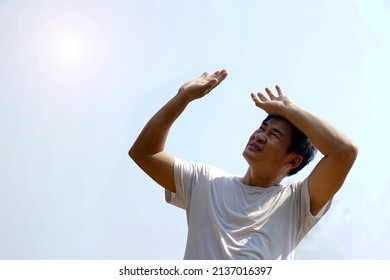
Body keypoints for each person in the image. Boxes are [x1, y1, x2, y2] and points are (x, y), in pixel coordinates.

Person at [128, 69, 358, 259]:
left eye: (274, 134)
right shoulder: (206, 181)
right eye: (261, 128)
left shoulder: (297, 202)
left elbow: (344, 152)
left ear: (293, 160)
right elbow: (145, 153)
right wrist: (182, 98)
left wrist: (291, 110)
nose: (259, 136)